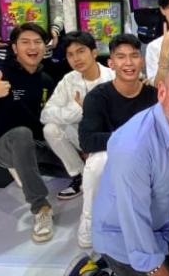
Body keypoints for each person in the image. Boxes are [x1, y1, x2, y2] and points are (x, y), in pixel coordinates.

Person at [56, 51, 169, 276]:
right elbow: (134, 221)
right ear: (162, 92)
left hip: (165, 221)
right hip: (121, 234)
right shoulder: (133, 145)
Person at [77, 34, 157, 248]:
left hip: (146, 158)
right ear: (111, 63)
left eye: (134, 56)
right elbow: (87, 141)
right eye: (121, 57)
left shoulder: (155, 96)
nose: (128, 63)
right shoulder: (97, 97)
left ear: (142, 61)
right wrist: (130, 138)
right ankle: (89, 220)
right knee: (98, 162)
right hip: (111, 155)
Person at [0, 23, 63, 242]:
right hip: (0, 147)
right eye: (25, 42)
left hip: (35, 144)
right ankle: (41, 208)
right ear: (14, 48)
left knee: (75, 168)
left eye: (38, 42)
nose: (32, 47)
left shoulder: (46, 80)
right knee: (21, 134)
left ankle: (29, 167)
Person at [40, 32, 114, 200]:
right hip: (82, 138)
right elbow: (45, 115)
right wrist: (76, 110)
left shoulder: (112, 76)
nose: (76, 58)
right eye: (70, 55)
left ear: (94, 52)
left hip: (109, 139)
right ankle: (80, 175)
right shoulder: (68, 80)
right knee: (51, 129)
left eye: (81, 51)